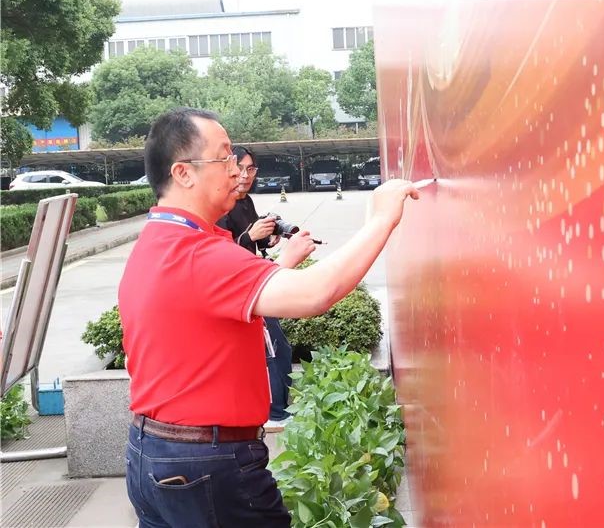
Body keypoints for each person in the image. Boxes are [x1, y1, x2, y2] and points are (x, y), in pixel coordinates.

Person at [118, 107, 418, 528]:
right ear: (183, 173)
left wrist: (283, 262)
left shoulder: (158, 241)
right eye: (224, 157)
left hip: (152, 455)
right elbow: (316, 293)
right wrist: (382, 219)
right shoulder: (197, 253)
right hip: (207, 466)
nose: (237, 171)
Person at [217, 145, 298, 430]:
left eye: (251, 169)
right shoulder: (220, 207)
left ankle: (277, 408)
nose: (245, 175)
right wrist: (250, 237)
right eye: (240, 168)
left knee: (276, 347)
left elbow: (249, 239)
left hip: (252, 281)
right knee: (274, 348)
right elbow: (219, 255)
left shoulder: (245, 201)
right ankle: (276, 412)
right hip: (240, 289)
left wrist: (267, 238)